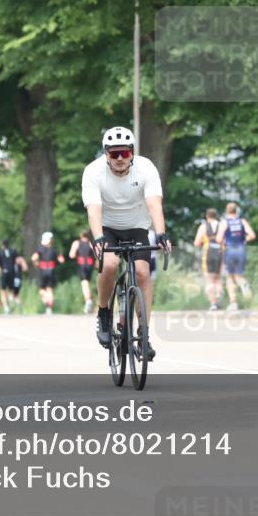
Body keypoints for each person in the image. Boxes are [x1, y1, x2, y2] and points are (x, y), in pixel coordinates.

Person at [82, 126, 170, 358]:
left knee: (142, 273)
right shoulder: (93, 172)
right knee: (109, 265)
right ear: (105, 154)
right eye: (114, 154)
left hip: (137, 226)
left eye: (124, 153)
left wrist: (161, 233)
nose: (120, 158)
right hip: (107, 228)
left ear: (132, 152)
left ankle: (143, 335)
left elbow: (154, 203)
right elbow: (93, 209)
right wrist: (99, 238)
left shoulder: (146, 168)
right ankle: (103, 314)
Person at [216, 202, 256, 311]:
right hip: (241, 249)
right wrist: (243, 240)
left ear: (227, 211)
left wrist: (223, 242)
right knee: (238, 275)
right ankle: (244, 284)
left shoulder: (224, 222)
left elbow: (219, 239)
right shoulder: (242, 221)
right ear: (236, 211)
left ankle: (233, 303)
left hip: (229, 250)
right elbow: (252, 235)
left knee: (229, 277)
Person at [194, 209, 225, 310]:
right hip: (220, 252)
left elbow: (197, 243)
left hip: (208, 253)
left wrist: (204, 242)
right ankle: (218, 298)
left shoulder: (203, 226)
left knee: (209, 279)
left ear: (207, 216)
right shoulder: (221, 225)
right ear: (216, 216)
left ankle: (213, 303)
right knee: (218, 278)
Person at [31, 232, 64, 315]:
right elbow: (62, 260)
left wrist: (36, 264)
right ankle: (49, 308)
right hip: (51, 270)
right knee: (50, 290)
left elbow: (33, 258)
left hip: (43, 270)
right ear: (50, 240)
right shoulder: (54, 250)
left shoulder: (40, 249)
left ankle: (47, 302)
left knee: (42, 290)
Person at [0, 239, 28, 313]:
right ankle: (14, 302)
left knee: (3, 291)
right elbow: (17, 260)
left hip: (4, 272)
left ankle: (6, 308)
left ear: (2, 245)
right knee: (11, 290)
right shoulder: (13, 252)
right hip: (12, 272)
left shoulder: (0, 253)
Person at [68, 230, 95, 314]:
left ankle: (88, 301)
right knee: (88, 283)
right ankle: (89, 301)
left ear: (81, 235)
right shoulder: (91, 243)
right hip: (90, 265)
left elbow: (71, 255)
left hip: (82, 265)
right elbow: (96, 254)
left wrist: (77, 255)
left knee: (84, 283)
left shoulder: (77, 243)